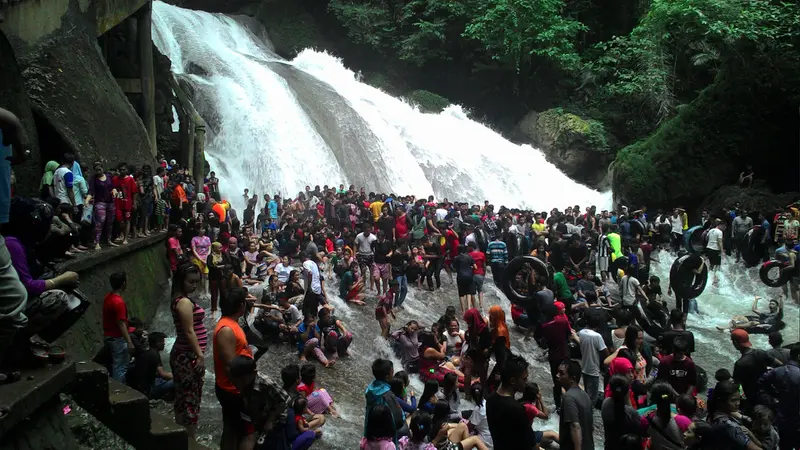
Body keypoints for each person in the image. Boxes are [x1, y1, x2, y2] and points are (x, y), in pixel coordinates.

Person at [213, 287, 255, 450]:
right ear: (241, 305)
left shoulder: (232, 324)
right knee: (248, 433)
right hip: (232, 390)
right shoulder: (226, 330)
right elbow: (231, 366)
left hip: (234, 389)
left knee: (232, 429)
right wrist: (244, 393)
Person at [170, 263, 208, 440]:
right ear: (180, 280)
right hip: (188, 356)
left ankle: (181, 435)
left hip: (184, 355)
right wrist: (200, 355)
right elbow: (189, 331)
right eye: (190, 282)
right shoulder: (184, 302)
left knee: (183, 398)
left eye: (196, 282)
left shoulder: (181, 299)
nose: (194, 286)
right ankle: (190, 441)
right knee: (190, 400)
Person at [486, 354, 538, 449]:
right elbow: (531, 443)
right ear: (513, 381)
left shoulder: (490, 399)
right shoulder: (517, 409)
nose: (526, 382)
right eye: (524, 379)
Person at [730, 329, 782, 414]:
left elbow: (739, 386)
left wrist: (742, 400)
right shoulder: (761, 352)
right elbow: (779, 365)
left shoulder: (740, 364)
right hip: (768, 392)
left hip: (752, 398)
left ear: (735, 343)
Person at [758, 346, 800, 450]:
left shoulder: (777, 371)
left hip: (780, 414)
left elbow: (761, 382)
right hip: (795, 417)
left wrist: (773, 397)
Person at [707, 380, 762, 450]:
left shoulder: (714, 411)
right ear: (721, 402)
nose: (738, 403)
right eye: (733, 400)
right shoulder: (730, 426)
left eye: (739, 399)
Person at [364, 359, 407, 441]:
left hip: (370, 429)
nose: (393, 374)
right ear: (387, 376)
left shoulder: (371, 388)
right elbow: (399, 421)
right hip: (385, 436)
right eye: (392, 372)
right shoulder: (388, 395)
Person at [103, 272, 134, 383]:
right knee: (120, 367)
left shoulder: (108, 297)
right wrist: (129, 342)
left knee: (115, 364)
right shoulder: (118, 302)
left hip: (109, 335)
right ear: (124, 283)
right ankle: (120, 391)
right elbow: (121, 324)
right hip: (117, 338)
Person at [558, 359, 594, 450]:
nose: (557, 376)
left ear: (572, 378)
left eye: (561, 373)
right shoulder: (584, 395)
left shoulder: (569, 398)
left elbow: (575, 426)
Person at [601, 375, 643, 450]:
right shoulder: (630, 413)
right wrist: (627, 399)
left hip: (609, 446)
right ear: (627, 392)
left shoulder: (605, 404)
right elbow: (641, 429)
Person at [129, 331, 174, 400]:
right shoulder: (154, 355)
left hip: (140, 387)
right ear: (157, 343)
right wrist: (176, 376)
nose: (164, 343)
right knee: (177, 381)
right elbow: (163, 375)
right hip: (148, 391)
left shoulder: (147, 352)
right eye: (162, 341)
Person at [577, 313, 609, 406]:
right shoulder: (597, 336)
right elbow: (605, 351)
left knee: (587, 392)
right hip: (593, 369)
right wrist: (605, 364)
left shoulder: (582, 332)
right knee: (592, 399)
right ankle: (587, 414)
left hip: (584, 367)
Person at [717, 296, 783, 334]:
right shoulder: (766, 314)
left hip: (767, 326)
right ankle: (726, 327)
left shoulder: (777, 315)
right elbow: (754, 309)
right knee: (738, 316)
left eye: (772, 304)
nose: (770, 305)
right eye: (770, 304)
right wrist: (756, 299)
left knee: (753, 322)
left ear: (776, 306)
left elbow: (781, 309)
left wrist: (781, 299)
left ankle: (735, 326)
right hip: (760, 323)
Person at [452, 245, 477, 313]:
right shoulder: (469, 257)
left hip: (460, 276)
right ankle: (469, 308)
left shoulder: (456, 258)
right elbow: (475, 267)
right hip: (469, 276)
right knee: (468, 292)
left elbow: (453, 268)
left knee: (461, 294)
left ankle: (463, 311)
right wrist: (470, 268)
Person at [706, 219, 725, 285]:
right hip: (715, 250)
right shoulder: (720, 232)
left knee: (711, 264)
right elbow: (720, 241)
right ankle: (715, 281)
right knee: (717, 265)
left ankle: (707, 277)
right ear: (720, 225)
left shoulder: (711, 230)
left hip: (708, 248)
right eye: (723, 226)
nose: (724, 228)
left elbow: (706, 238)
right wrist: (722, 251)